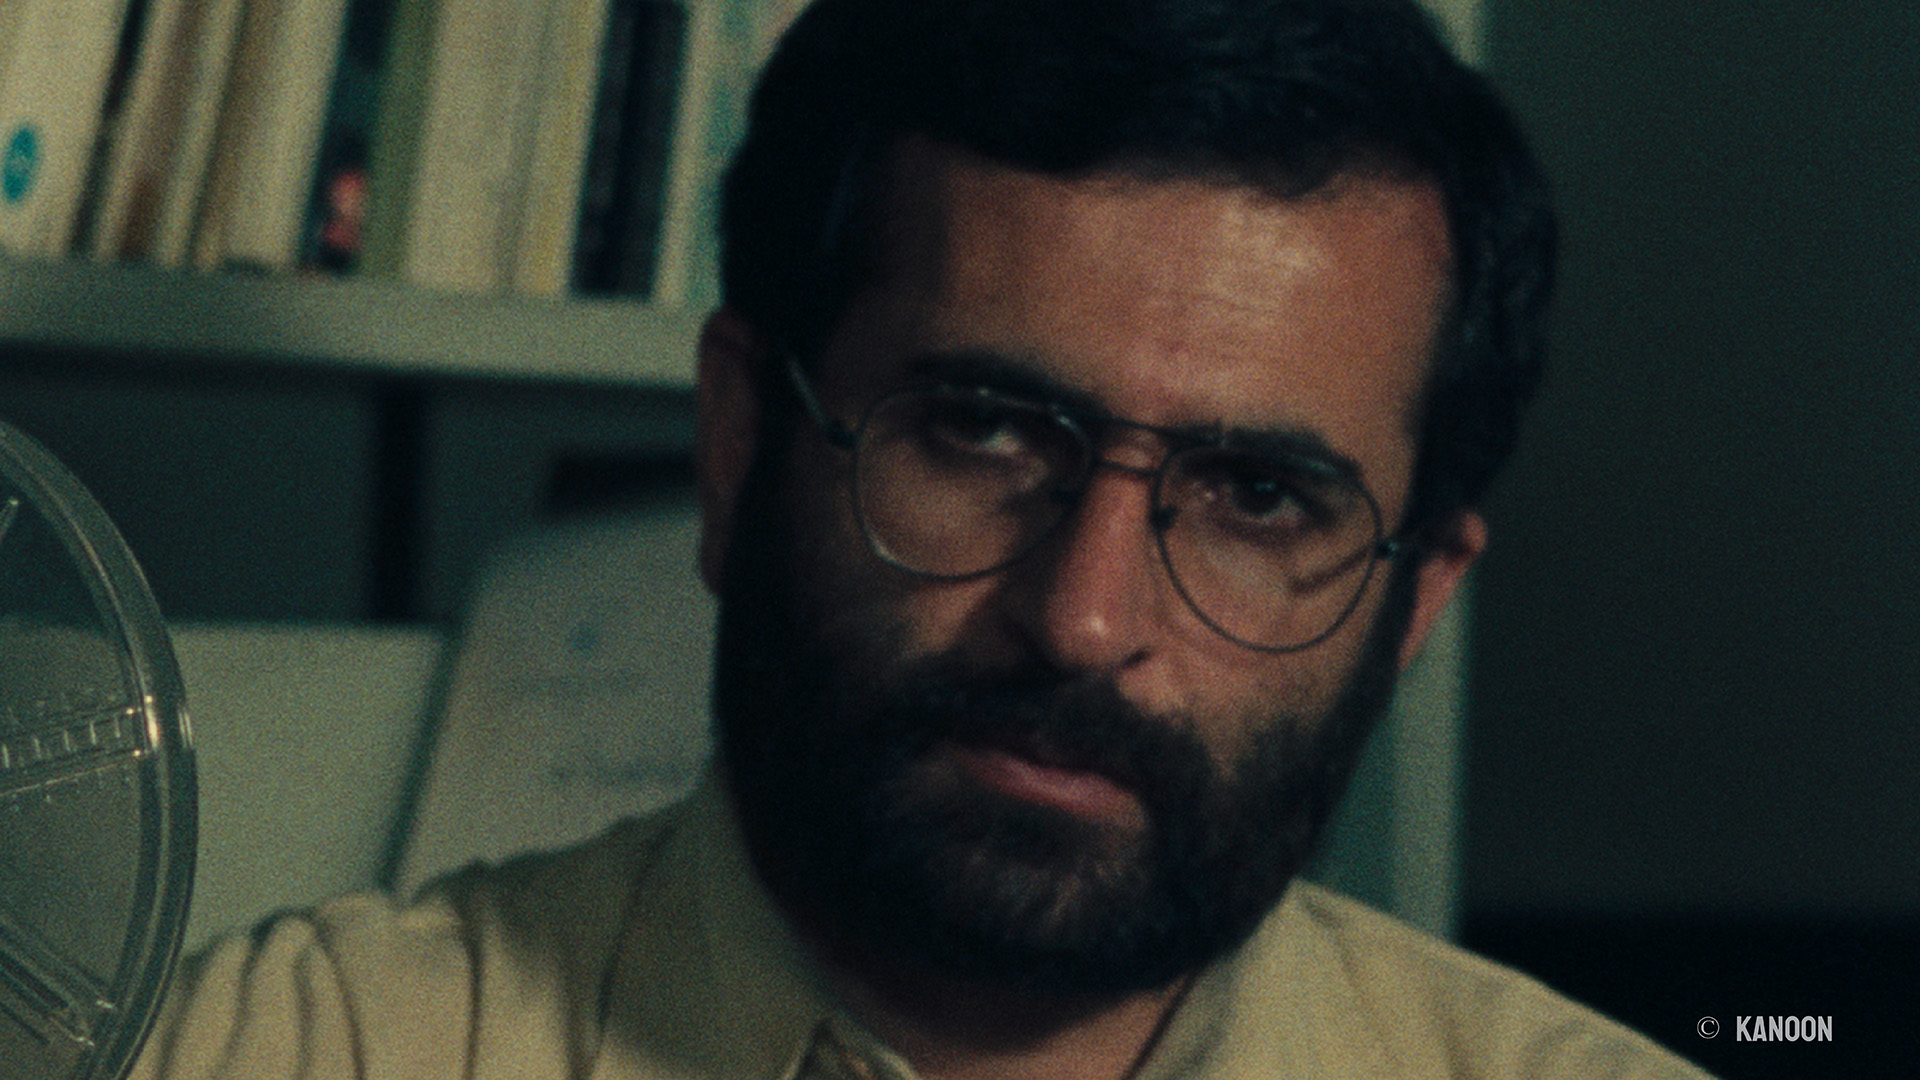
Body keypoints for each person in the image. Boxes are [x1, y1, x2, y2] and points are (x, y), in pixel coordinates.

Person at [133, 0, 1713, 1077]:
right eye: (983, 432)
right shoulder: (275, 1051)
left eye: (1256, 498)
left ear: (1416, 601)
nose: (1083, 616)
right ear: (739, 446)